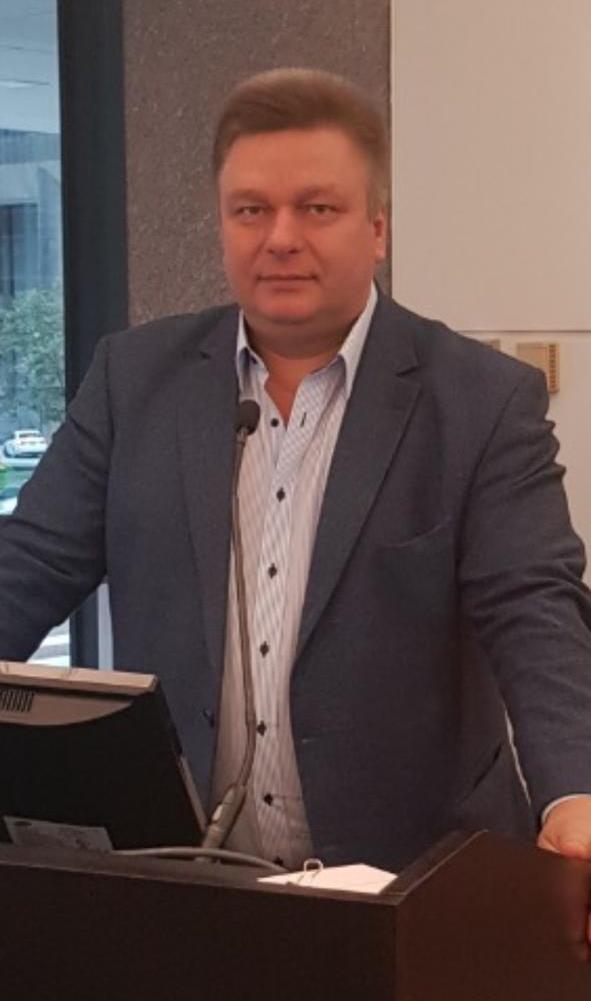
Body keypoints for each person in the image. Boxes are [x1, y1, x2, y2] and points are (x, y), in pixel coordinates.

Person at [1, 68, 591, 881]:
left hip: (415, 886)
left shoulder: (479, 401)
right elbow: (28, 566)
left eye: (316, 208)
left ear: (376, 227)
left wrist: (573, 793)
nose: (279, 237)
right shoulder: (132, 382)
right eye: (251, 210)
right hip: (190, 880)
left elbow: (535, 609)